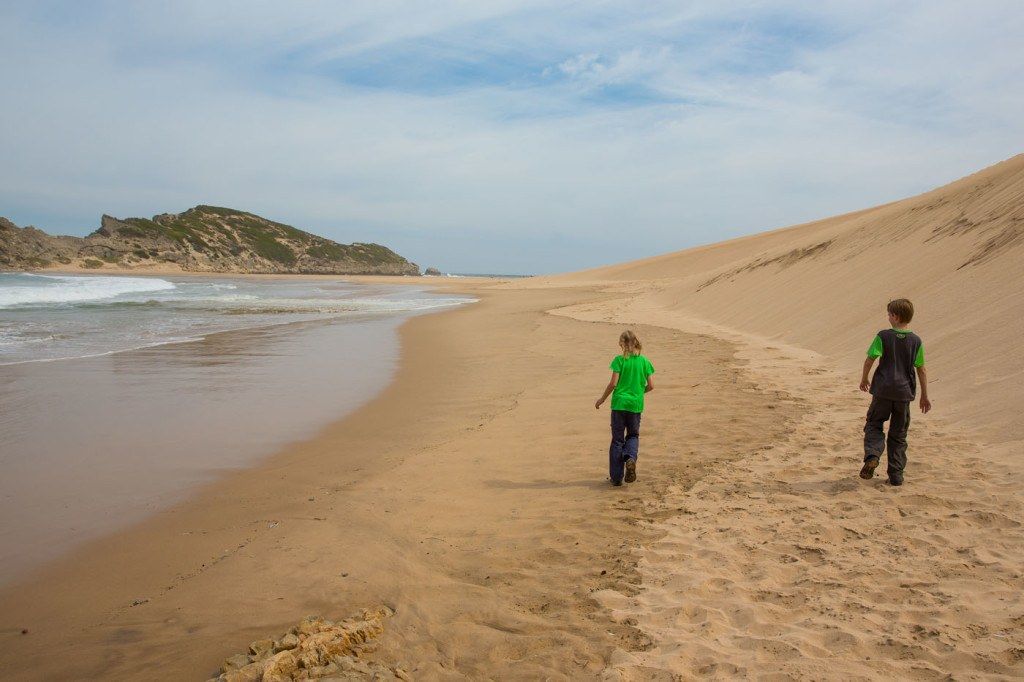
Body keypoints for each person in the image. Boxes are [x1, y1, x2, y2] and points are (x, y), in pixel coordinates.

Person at [859, 298, 931, 486]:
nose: (888, 317)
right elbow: (921, 369)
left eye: (890, 314)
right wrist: (924, 395)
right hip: (903, 394)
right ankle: (896, 476)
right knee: (898, 434)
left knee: (874, 424)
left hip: (882, 391)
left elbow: (870, 359)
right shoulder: (916, 341)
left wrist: (864, 378)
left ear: (896, 317)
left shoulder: (883, 336)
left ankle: (873, 455)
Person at [595, 330, 655, 486]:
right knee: (633, 436)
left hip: (619, 404)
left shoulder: (619, 360)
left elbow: (613, 384)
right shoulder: (644, 361)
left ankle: (616, 478)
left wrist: (601, 399)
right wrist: (638, 393)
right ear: (636, 342)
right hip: (635, 405)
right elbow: (651, 386)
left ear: (622, 343)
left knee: (617, 440)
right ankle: (630, 458)